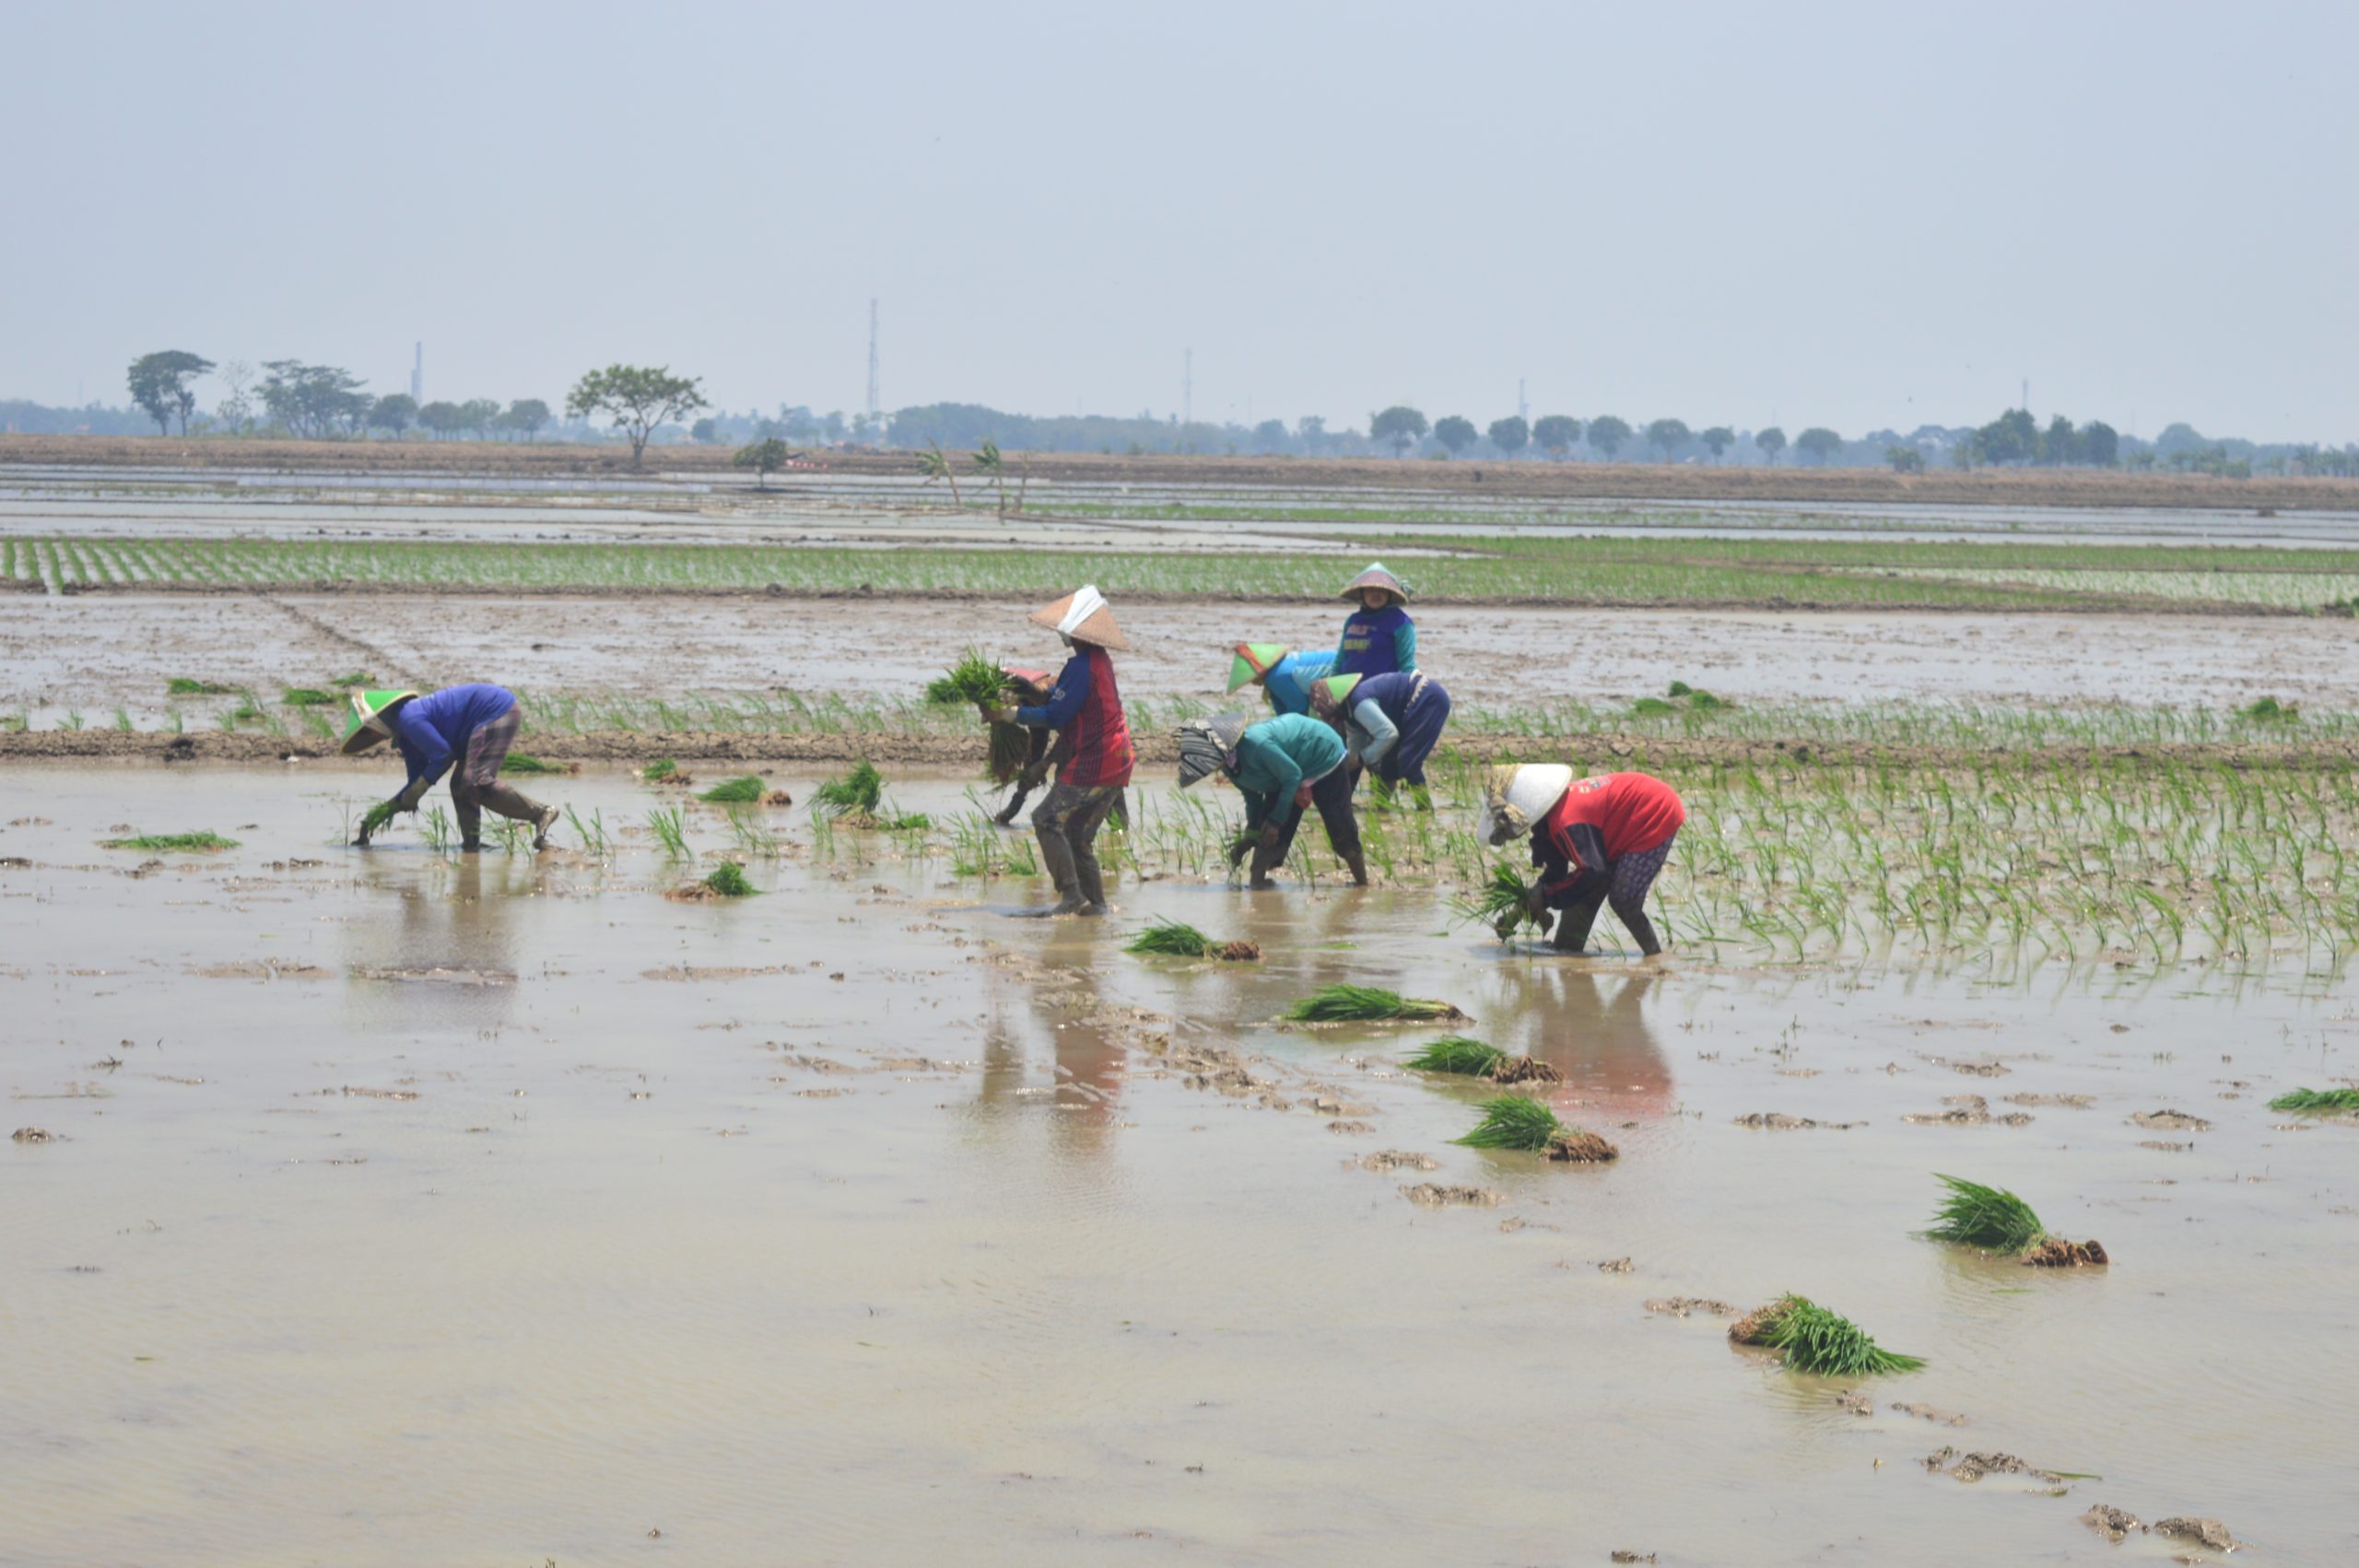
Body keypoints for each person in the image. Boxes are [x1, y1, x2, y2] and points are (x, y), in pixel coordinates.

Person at [984, 586, 1135, 918]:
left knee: (1045, 820)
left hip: (1097, 759)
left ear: (1074, 631)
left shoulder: (1081, 668)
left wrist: (1010, 715)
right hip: (1119, 758)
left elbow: (1055, 716)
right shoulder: (1098, 662)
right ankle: (1095, 906)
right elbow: (1064, 711)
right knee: (1078, 836)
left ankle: (1071, 897)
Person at [1476, 766, 1684, 957]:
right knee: (1582, 893)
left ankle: (1655, 958)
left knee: (1623, 900)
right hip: (1619, 826)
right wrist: (1521, 908)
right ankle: (1567, 950)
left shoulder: (1566, 822)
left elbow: (1594, 871)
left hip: (1654, 813)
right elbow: (1557, 873)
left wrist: (1546, 896)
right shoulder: (1548, 821)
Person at [342, 685, 560, 851]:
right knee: (460, 785)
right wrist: (373, 821)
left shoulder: (410, 718)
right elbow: (415, 782)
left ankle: (540, 813)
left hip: (496, 711)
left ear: (375, 724)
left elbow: (443, 756)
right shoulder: (406, 735)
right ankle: (472, 845)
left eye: (367, 732)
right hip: (474, 727)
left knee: (476, 781)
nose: (373, 738)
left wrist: (416, 791)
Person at [1174, 709, 1368, 890]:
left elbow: (1292, 776)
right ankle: (1259, 886)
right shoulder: (1230, 767)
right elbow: (1253, 800)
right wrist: (1250, 836)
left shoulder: (1257, 746)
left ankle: (1362, 885)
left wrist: (1276, 821)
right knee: (1266, 838)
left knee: (1341, 829)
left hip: (1322, 753)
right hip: (1285, 772)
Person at [991, 663, 1131, 833]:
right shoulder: (1030, 698)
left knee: (1080, 784)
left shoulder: (1057, 693)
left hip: (1103, 744)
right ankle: (1117, 839)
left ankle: (1104, 835)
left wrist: (1045, 763)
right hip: (1110, 748)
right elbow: (1038, 745)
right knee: (1107, 791)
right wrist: (1017, 801)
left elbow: (1068, 736)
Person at [1308, 670, 1451, 813]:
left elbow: (1388, 734)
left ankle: (1425, 808)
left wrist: (1363, 758)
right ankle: (1381, 809)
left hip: (1427, 698)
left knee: (1408, 760)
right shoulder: (1349, 716)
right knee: (1386, 763)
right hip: (1407, 709)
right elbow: (1355, 755)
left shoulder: (1358, 702)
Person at [1332, 564, 1417, 679]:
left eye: (1381, 589)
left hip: (1381, 691)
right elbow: (1340, 659)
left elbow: (1407, 665)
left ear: (1389, 593)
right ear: (1362, 592)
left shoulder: (1401, 623)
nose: (1375, 594)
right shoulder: (1352, 620)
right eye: (1370, 589)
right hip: (1348, 686)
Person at [1226, 642, 1336, 718]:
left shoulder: (1276, 676)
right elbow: (1282, 712)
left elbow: (1300, 707)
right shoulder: (1276, 673)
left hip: (1337, 670)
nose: (1252, 683)